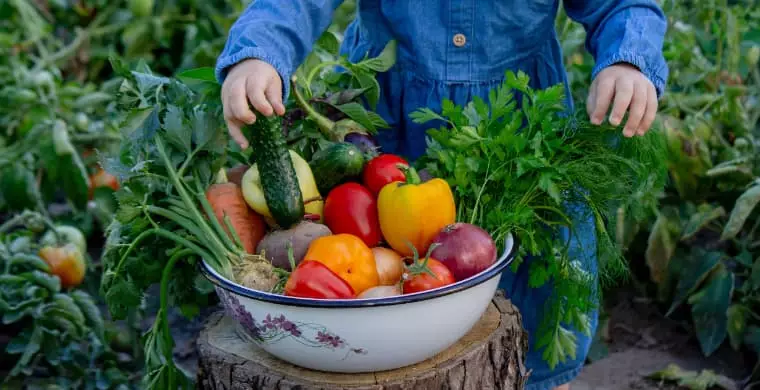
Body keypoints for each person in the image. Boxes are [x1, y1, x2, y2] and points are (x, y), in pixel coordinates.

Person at [215, 1, 668, 389]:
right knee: (381, 284)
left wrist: (628, 61)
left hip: (522, 134)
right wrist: (259, 54)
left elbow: (622, 5)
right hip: (386, 132)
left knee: (543, 286)